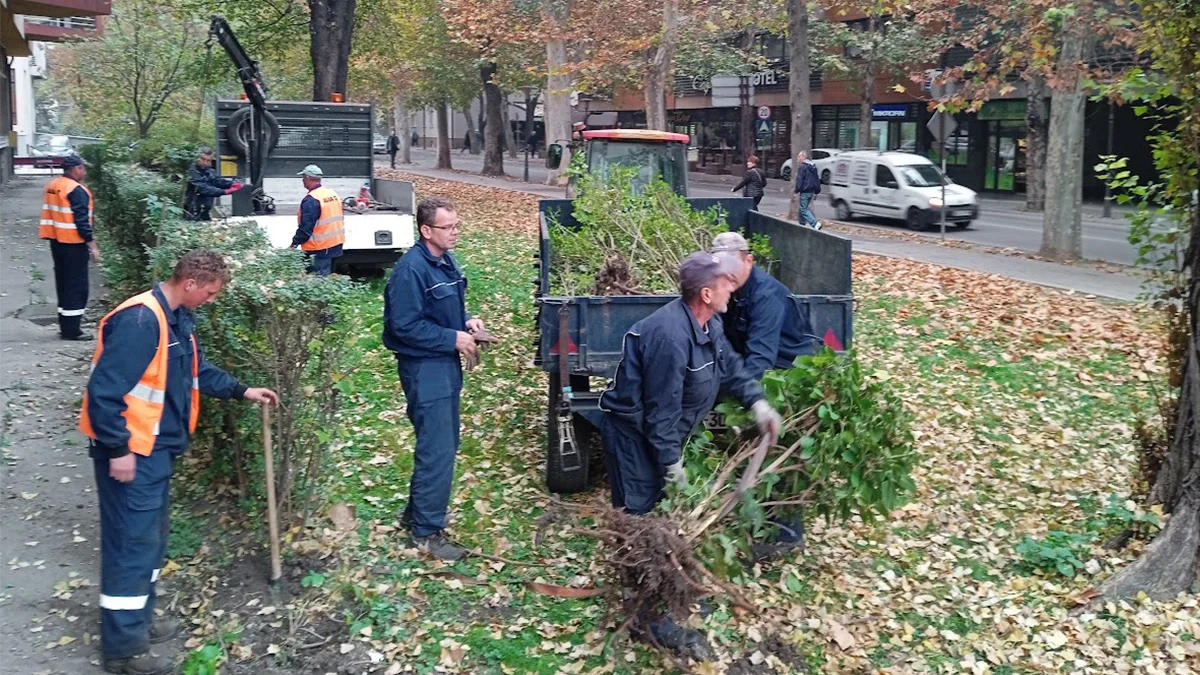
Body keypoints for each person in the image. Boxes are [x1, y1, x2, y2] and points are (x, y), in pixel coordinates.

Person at [79, 250, 279, 675]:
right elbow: (104, 392)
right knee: (130, 546)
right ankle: (123, 650)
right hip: (133, 455)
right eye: (210, 292)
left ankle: (140, 619)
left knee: (149, 542)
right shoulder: (141, 321)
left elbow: (195, 371)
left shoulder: (175, 319)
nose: (211, 299)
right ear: (189, 283)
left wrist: (242, 390)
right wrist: (118, 451)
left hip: (156, 451)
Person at [597, 252, 782, 655]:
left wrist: (757, 402)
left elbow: (731, 367)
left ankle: (665, 591)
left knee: (662, 515)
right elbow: (660, 410)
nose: (731, 288)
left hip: (662, 431)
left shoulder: (708, 322)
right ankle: (644, 616)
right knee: (640, 517)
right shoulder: (669, 337)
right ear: (705, 293)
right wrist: (671, 462)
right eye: (724, 283)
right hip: (633, 436)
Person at [383, 196, 488, 562]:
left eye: (457, 225)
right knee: (438, 448)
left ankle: (417, 513)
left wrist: (466, 322)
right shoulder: (410, 271)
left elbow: (441, 309)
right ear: (426, 230)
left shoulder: (445, 260)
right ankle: (426, 533)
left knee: (440, 443)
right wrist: (452, 338)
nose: (455, 232)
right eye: (448, 227)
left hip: (443, 365)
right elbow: (404, 326)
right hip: (424, 368)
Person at [710, 232, 819, 381]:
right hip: (748, 363)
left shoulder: (766, 296)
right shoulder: (726, 289)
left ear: (748, 261)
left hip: (788, 371)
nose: (726, 273)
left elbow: (761, 358)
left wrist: (744, 391)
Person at [40, 154, 102, 340]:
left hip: (57, 242)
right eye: (83, 168)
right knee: (77, 287)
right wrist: (93, 247)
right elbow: (82, 223)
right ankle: (72, 331)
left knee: (64, 284)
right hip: (74, 244)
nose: (85, 172)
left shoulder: (53, 186)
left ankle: (66, 325)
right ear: (75, 169)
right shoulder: (76, 190)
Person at [289, 165, 344, 276]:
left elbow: (306, 227)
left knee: (318, 280)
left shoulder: (312, 199)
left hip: (319, 248)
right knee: (328, 277)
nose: (302, 180)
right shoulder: (332, 194)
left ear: (308, 178)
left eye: (303, 177)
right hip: (335, 244)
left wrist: (294, 244)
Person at [183, 147, 241, 222]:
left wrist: (232, 184)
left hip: (205, 211)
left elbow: (217, 181)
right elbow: (203, 188)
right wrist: (224, 191)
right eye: (202, 159)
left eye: (208, 160)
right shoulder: (192, 171)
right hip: (191, 211)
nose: (205, 163)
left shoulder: (209, 170)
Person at [793, 150, 823, 230]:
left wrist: (796, 190)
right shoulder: (813, 167)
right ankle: (801, 224)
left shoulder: (802, 167)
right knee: (802, 208)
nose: (798, 158)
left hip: (804, 191)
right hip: (811, 191)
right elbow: (816, 179)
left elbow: (800, 180)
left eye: (799, 156)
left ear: (803, 157)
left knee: (803, 209)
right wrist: (817, 191)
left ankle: (815, 223)